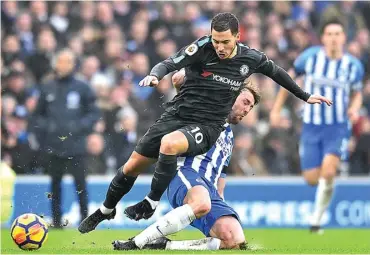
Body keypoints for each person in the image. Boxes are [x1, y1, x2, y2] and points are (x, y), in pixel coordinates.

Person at [78, 12, 332, 234]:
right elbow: (170, 63)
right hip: (177, 114)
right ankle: (106, 209)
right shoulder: (201, 48)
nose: (219, 47)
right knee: (131, 166)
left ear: (237, 37)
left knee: (169, 144)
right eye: (215, 40)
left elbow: (277, 73)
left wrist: (306, 96)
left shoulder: (250, 59)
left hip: (208, 125)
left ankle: (151, 201)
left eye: (225, 42)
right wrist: (155, 76)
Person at [112, 72, 261, 251]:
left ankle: (164, 245)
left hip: (209, 190)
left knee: (233, 240)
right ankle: (136, 242)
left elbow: (221, 179)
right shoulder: (204, 110)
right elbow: (178, 79)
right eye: (245, 102)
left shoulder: (229, 138)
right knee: (202, 203)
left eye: (250, 107)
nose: (247, 110)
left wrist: (220, 206)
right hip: (186, 173)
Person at [269, 19, 364, 233]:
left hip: (338, 126)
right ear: (323, 38)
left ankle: (316, 222)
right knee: (312, 179)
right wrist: (276, 110)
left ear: (344, 38)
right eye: (329, 34)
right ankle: (326, 187)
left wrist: (355, 108)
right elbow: (288, 81)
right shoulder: (310, 58)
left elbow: (357, 93)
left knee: (329, 170)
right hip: (311, 126)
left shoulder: (353, 66)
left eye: (337, 33)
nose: (333, 38)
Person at [33, 49, 100, 227]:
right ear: (56, 64)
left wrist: (79, 127)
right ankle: (56, 221)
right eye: (61, 61)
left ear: (73, 64)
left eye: (68, 62)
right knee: (55, 185)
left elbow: (94, 113)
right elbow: (37, 115)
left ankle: (86, 219)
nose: (64, 65)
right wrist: (48, 128)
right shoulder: (47, 87)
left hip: (76, 145)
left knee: (80, 185)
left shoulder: (82, 87)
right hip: (54, 145)